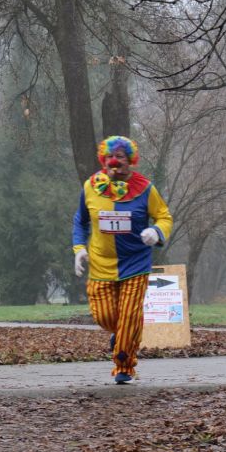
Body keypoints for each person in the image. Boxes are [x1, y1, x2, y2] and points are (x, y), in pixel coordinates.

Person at [72, 135, 173, 384]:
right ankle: (122, 335)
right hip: (100, 262)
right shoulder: (90, 187)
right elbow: (80, 221)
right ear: (103, 160)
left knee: (129, 315)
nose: (114, 162)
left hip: (135, 263)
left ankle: (124, 366)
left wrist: (156, 232)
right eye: (109, 157)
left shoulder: (146, 189)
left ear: (130, 161)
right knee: (104, 317)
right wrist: (79, 249)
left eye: (120, 157)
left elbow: (164, 217)